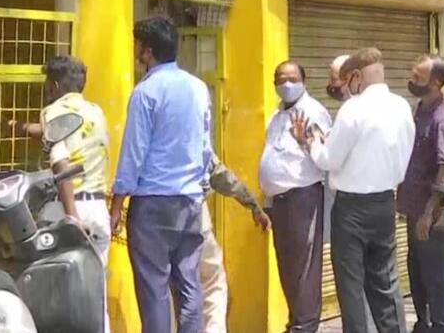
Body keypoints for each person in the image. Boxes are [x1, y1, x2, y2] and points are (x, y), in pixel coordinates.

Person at [291, 47, 414, 333]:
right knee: (386, 283)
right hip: (385, 203)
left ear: (356, 77)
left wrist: (313, 142)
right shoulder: (401, 106)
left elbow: (328, 160)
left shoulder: (353, 109)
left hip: (352, 210)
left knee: (351, 288)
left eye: (345, 81)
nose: (343, 87)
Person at [110, 17, 211, 333]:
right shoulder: (198, 87)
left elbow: (133, 153)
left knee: (153, 288)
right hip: (190, 198)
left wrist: (116, 205)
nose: (136, 50)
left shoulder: (146, 92)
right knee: (189, 282)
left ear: (147, 50)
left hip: (153, 202)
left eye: (138, 45)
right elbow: (205, 144)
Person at [11, 56, 112, 331]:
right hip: (99, 209)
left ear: (54, 85)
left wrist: (71, 217)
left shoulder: (53, 111)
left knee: (66, 296)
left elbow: (61, 162)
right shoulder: (96, 112)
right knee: (96, 294)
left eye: (47, 85)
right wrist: (21, 128)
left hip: (71, 207)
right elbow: (56, 136)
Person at [259, 60, 332, 333]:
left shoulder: (312, 113)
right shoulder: (278, 116)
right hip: (280, 203)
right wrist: (267, 202)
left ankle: (304, 326)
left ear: (304, 80)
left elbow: (325, 158)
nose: (286, 84)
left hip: (302, 199)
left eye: (292, 78)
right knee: (288, 268)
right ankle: (296, 324)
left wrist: (306, 141)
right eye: (280, 79)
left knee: (303, 270)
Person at [398, 54, 444, 333]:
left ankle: (440, 327)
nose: (412, 80)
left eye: (418, 77)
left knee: (434, 274)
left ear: (436, 82)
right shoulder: (420, 110)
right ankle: (423, 323)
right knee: (417, 269)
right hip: (415, 206)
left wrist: (428, 213)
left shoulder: (442, 119)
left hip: (431, 211)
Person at [199, 153, 271, 333]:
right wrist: (253, 204)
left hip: (150, 212)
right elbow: (220, 175)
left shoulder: (145, 126)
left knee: (162, 291)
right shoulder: (194, 129)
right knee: (212, 285)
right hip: (192, 210)